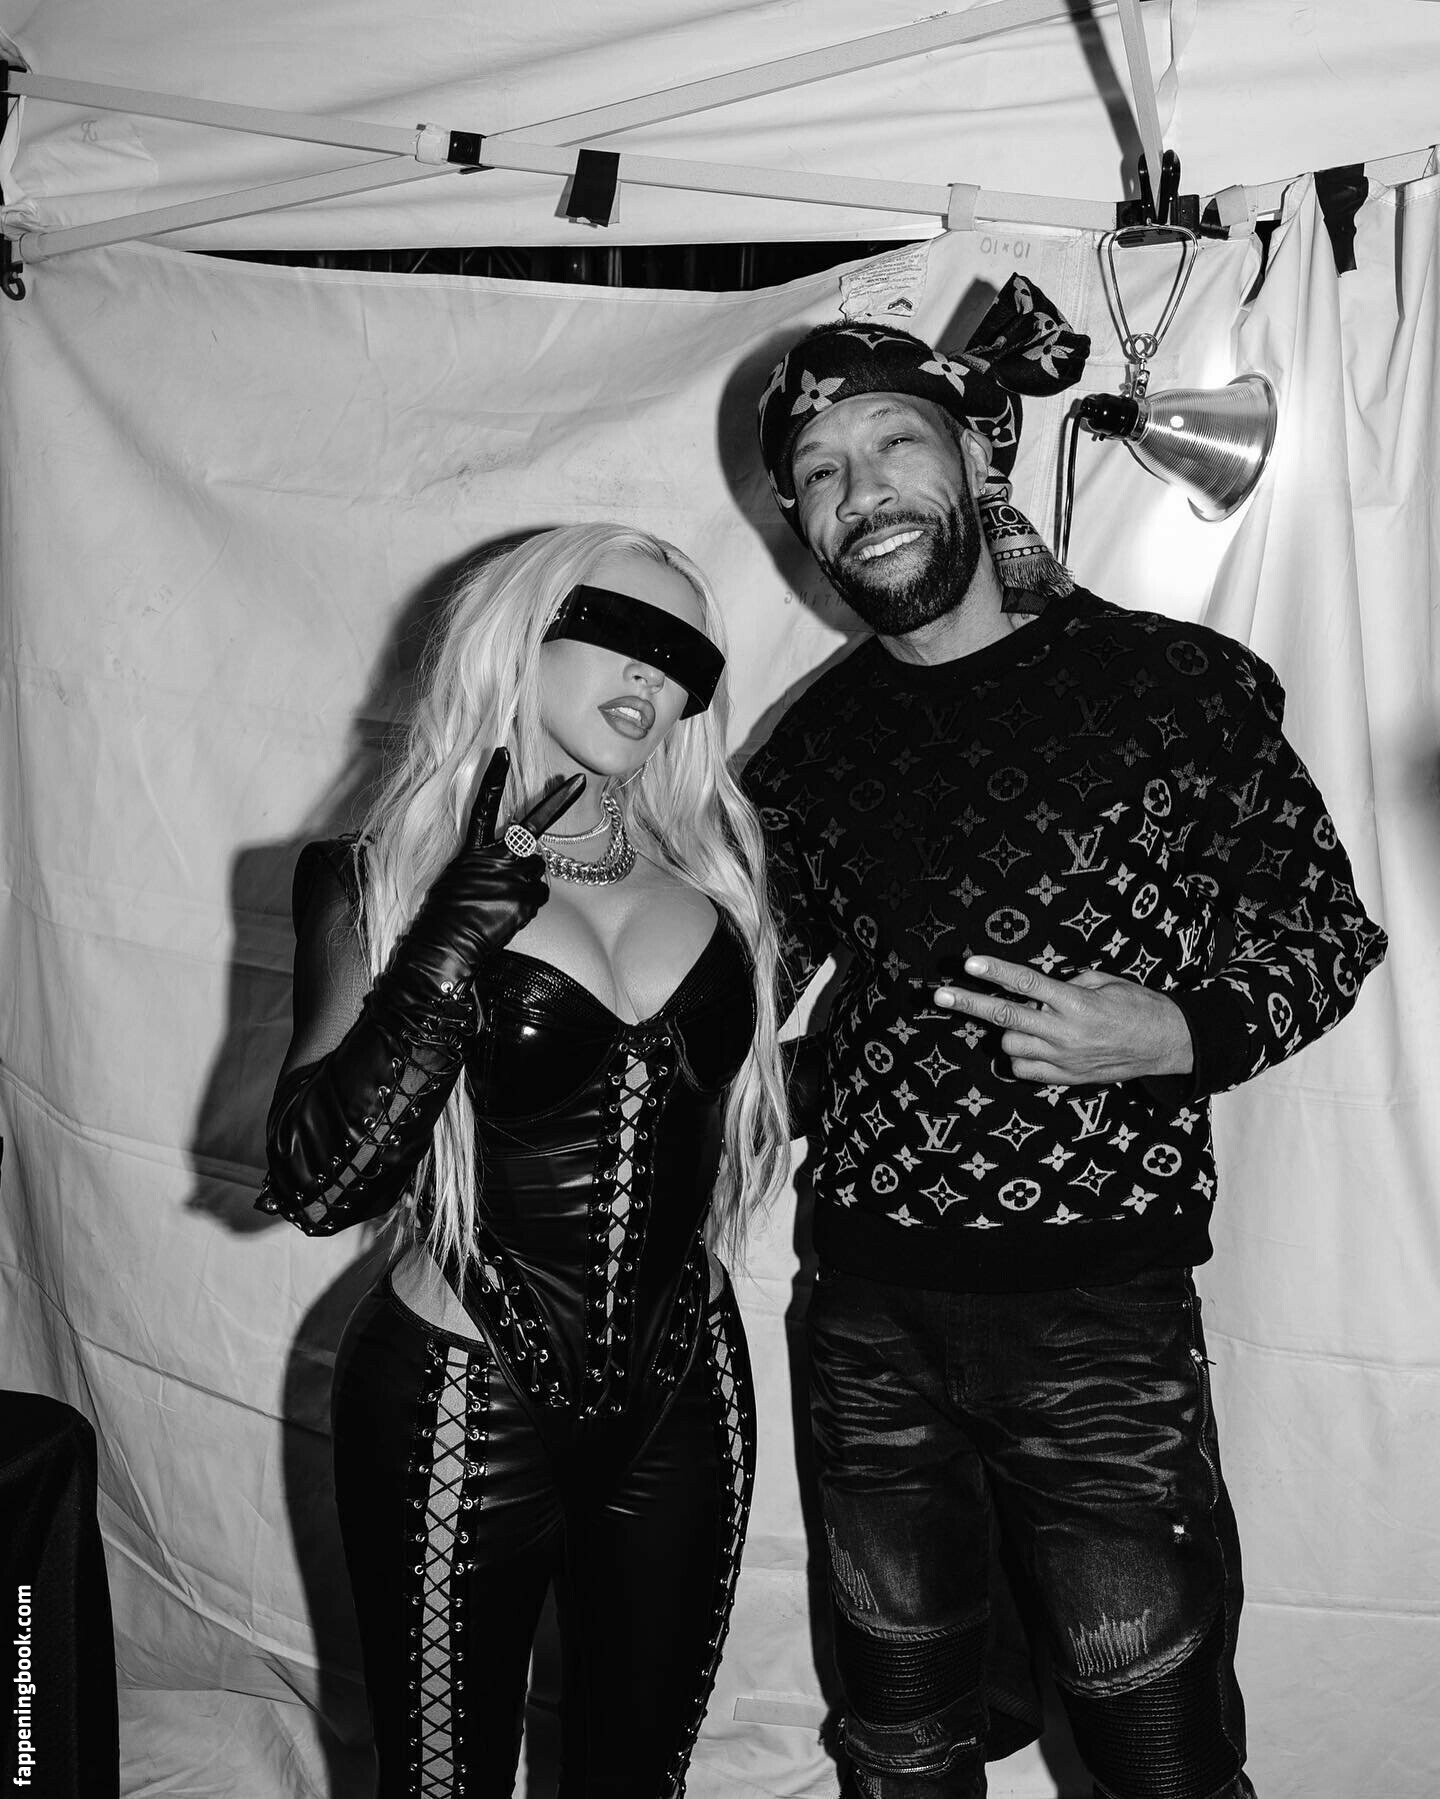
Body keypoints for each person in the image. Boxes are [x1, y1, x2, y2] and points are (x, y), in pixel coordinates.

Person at [743, 276, 1387, 1799]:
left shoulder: (1173, 687)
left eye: (892, 445)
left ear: (977, 455)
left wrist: (1172, 1028)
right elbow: (750, 995)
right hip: (867, 1316)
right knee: (901, 1740)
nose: (859, 492)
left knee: (1159, 1752)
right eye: (820, 473)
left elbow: (1321, 934)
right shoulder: (810, 753)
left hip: (1096, 1317)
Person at [257, 523, 791, 1798]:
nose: (651, 673)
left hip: (688, 1389)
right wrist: (450, 937)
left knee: (640, 1776)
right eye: (618, 631)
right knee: (442, 1780)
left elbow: (725, 1106)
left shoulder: (717, 879)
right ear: (522, 631)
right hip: (459, 1392)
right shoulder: (379, 878)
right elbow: (321, 1184)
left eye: (685, 658)